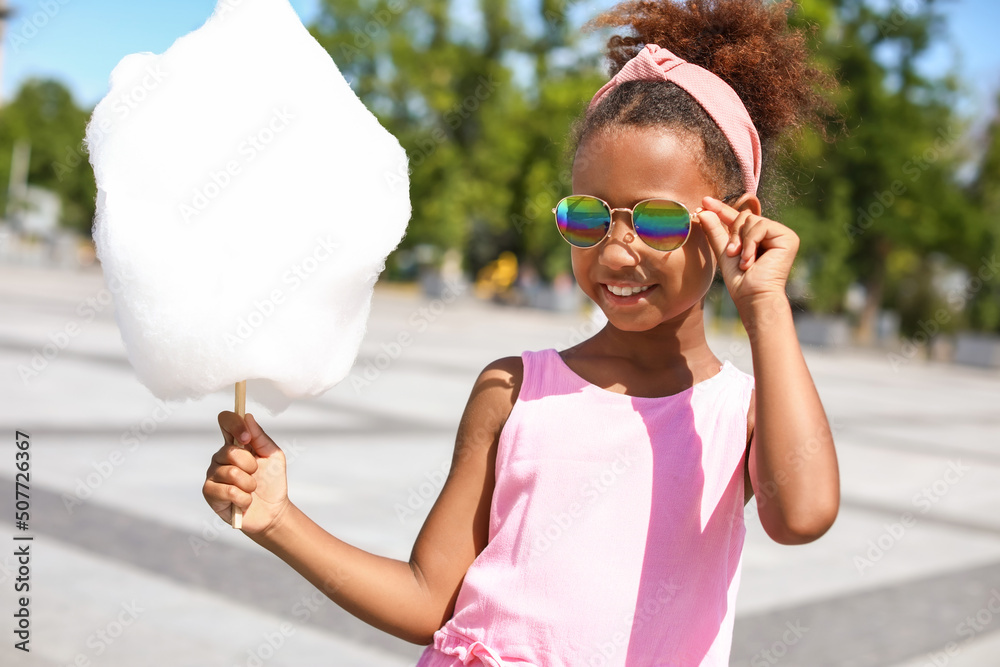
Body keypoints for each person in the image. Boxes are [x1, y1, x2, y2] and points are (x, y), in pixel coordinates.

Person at [202, 0, 841, 664]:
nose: (617, 252)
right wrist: (277, 517)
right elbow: (428, 599)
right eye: (588, 217)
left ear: (735, 222)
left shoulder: (739, 412)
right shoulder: (513, 389)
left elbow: (801, 514)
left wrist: (765, 304)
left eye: (655, 222)